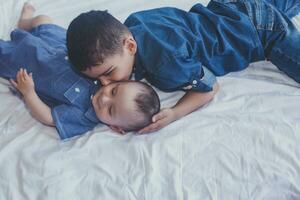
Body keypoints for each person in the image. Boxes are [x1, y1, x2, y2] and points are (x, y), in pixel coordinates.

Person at [66, 0, 300, 134]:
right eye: (99, 80)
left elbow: (210, 87)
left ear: (130, 45)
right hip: (230, 7)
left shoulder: (165, 64)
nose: (105, 84)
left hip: (259, 31)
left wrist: (176, 112)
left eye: (108, 73)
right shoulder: (133, 23)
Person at [0, 3, 160, 140]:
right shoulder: (107, 73)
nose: (104, 98)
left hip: (30, 64)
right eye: (114, 91)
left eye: (111, 110)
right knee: (43, 20)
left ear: (116, 127)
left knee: (5, 53)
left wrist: (29, 93)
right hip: (57, 43)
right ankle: (25, 23)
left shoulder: (83, 117)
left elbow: (48, 117)